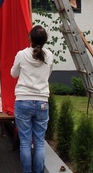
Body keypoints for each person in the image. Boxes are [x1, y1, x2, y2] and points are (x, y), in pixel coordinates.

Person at [10, 25, 54, 173]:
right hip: (42, 101)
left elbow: (13, 74)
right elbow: (47, 75)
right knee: (40, 143)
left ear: (29, 38)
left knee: (25, 143)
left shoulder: (21, 54)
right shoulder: (49, 55)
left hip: (23, 100)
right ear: (45, 40)